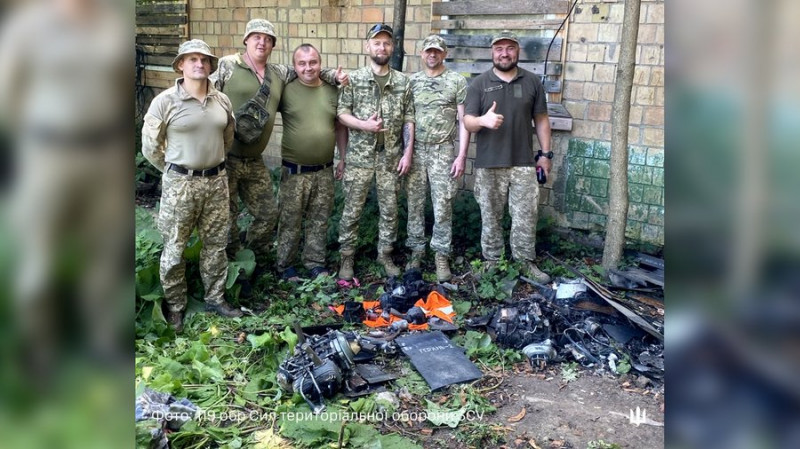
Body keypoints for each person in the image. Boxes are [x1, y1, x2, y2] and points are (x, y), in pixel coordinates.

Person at [211, 19, 346, 273]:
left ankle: (255, 262)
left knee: (268, 214)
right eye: (256, 37)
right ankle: (231, 268)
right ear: (246, 40)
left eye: (267, 38)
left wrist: (334, 75)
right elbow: (203, 92)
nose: (261, 42)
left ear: (272, 44)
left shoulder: (278, 74)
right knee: (224, 217)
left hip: (254, 160)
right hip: (224, 157)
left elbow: (307, 70)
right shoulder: (228, 65)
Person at [142, 39, 242, 332]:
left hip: (216, 183)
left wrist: (212, 164)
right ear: (180, 65)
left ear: (210, 66)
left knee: (216, 245)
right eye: (192, 59)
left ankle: (215, 297)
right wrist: (174, 170)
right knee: (174, 249)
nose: (199, 64)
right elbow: (150, 147)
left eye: (204, 59)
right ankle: (175, 307)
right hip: (180, 186)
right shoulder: (164, 102)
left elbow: (227, 137)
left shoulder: (221, 100)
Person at [463, 30, 553, 284]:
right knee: (490, 215)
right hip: (489, 163)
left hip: (524, 163)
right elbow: (468, 122)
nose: (504, 53)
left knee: (526, 215)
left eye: (509, 48)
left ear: (518, 51)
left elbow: (542, 120)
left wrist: (545, 156)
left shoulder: (532, 82)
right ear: (492, 53)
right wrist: (483, 120)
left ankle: (525, 262)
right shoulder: (479, 84)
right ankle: (492, 260)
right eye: (499, 48)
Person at [336, 23, 415, 280]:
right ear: (367, 46)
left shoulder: (403, 82)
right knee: (352, 209)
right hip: (359, 157)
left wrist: (407, 152)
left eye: (386, 43)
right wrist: (364, 126)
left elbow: (409, 119)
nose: (382, 47)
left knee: (390, 210)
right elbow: (341, 114)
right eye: (377, 42)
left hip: (390, 158)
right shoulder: (353, 79)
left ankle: (385, 254)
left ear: (392, 47)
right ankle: (347, 257)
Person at [276, 44, 348, 281]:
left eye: (313, 62)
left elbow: (339, 126)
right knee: (290, 221)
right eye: (302, 63)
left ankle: (315, 263)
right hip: (294, 171)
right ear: (294, 66)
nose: (308, 68)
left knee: (319, 220)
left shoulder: (331, 90)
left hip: (324, 170)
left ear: (320, 62)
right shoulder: (285, 89)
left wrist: (342, 158)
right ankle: (285, 265)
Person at [405, 35, 470, 282]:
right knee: (415, 202)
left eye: (437, 51)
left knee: (443, 203)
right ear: (422, 54)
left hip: (443, 150)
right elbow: (407, 119)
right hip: (417, 149)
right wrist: (407, 151)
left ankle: (441, 254)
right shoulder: (413, 82)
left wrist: (462, 155)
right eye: (428, 51)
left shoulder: (456, 81)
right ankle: (416, 251)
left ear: (444, 54)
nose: (432, 55)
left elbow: (464, 121)